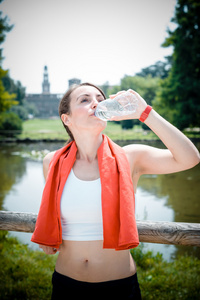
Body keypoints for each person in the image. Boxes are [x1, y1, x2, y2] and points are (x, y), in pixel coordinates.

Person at [31, 83, 199, 299]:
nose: (96, 103)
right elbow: (52, 215)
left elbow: (190, 158)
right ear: (67, 118)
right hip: (65, 285)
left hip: (118, 287)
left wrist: (145, 112)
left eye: (100, 99)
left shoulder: (131, 157)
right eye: (84, 99)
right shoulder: (51, 162)